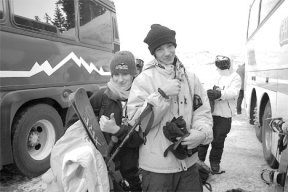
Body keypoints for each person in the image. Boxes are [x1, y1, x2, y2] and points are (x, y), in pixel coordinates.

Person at [127, 24, 213, 192]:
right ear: (153, 53)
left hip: (188, 166)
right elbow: (137, 124)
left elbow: (202, 112)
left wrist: (201, 133)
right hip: (156, 170)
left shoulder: (191, 78)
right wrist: (162, 95)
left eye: (170, 46)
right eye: (160, 49)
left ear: (175, 46)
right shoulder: (143, 80)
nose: (167, 53)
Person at [66, 51, 142, 191]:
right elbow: (75, 123)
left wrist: (116, 130)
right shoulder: (102, 96)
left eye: (125, 74)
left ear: (133, 74)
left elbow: (140, 139)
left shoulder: (140, 99)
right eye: (116, 74)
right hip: (103, 169)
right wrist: (93, 132)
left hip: (131, 171)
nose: (120, 79)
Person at [198, 55, 241, 173]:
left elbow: (234, 92)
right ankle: (199, 163)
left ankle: (215, 164)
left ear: (228, 63)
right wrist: (209, 92)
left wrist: (219, 94)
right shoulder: (213, 75)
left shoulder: (235, 76)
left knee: (218, 141)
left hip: (224, 115)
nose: (222, 65)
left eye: (224, 62)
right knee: (204, 138)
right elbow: (204, 88)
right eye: (220, 63)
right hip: (209, 114)